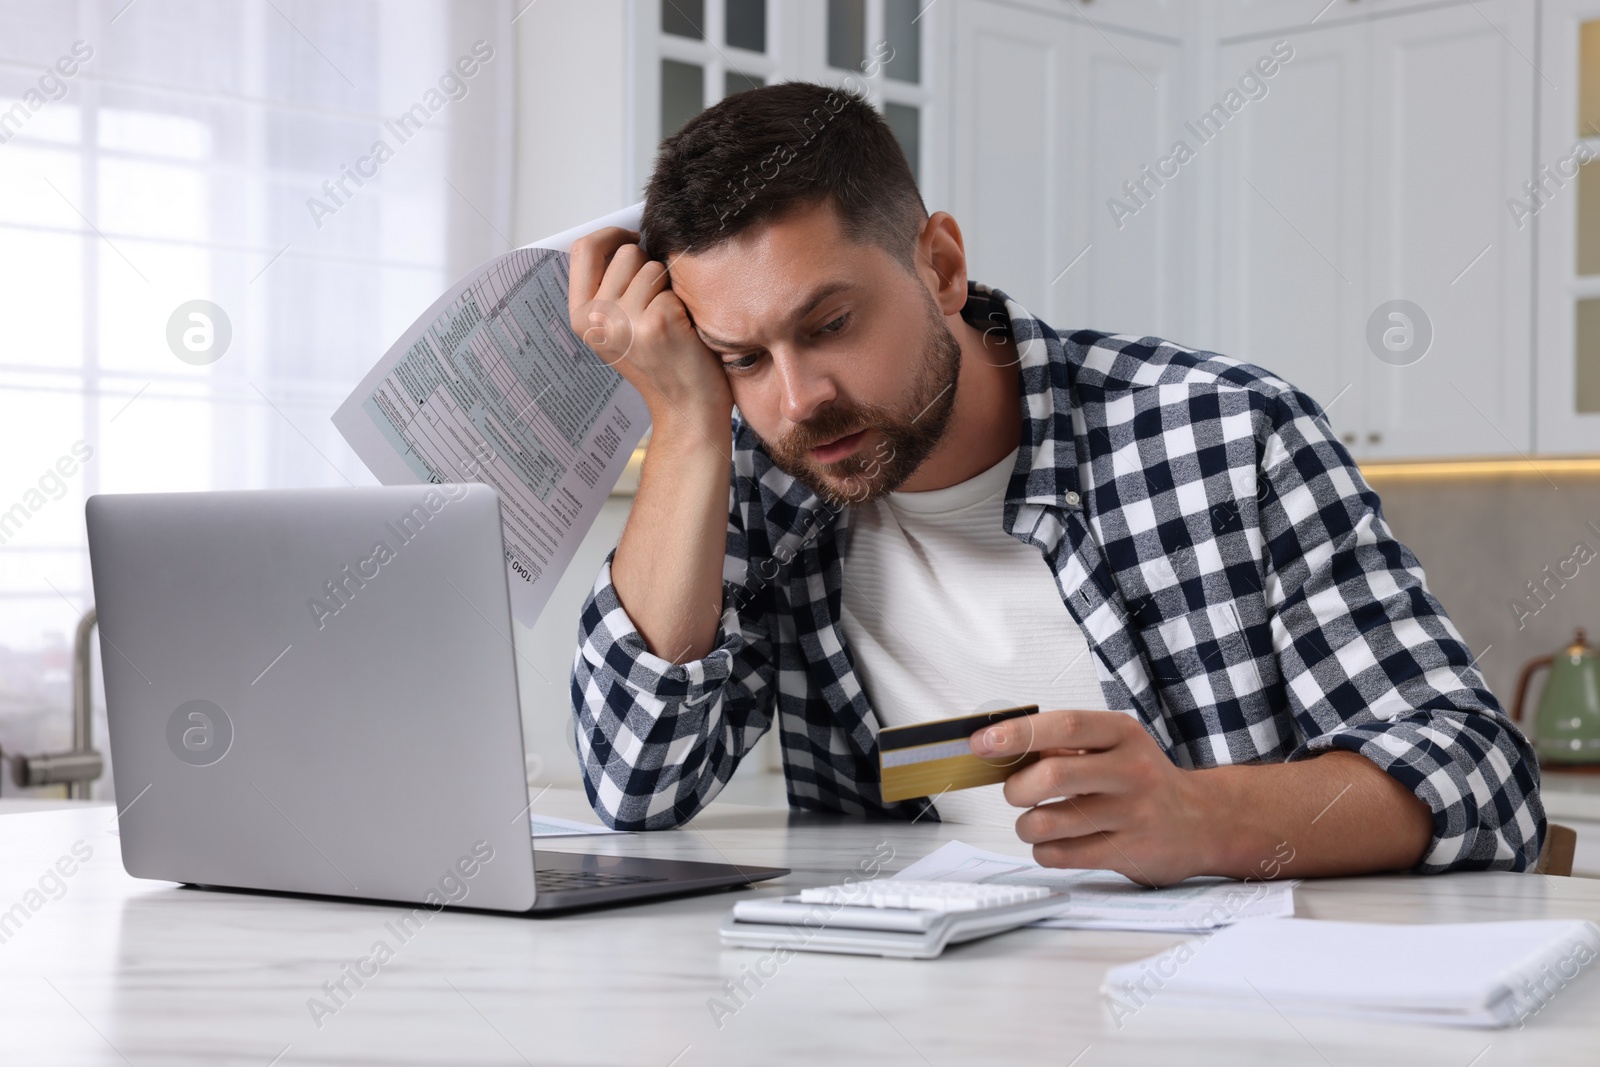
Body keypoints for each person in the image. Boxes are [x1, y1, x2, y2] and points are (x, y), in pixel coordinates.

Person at [566, 81, 1543, 884]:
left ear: (940, 265)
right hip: (921, 1008)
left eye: (828, 325)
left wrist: (1198, 817)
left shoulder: (1222, 432)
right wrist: (687, 425)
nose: (797, 399)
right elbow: (635, 785)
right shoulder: (770, 484)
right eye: (740, 356)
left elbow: (1478, 771)